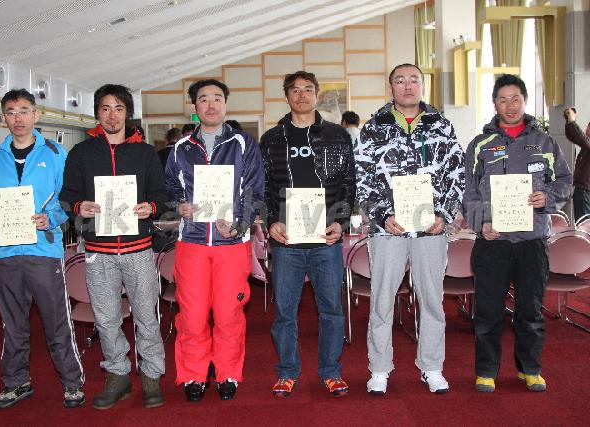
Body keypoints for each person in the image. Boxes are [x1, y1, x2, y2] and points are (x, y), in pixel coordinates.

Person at [354, 63, 464, 395]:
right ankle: (379, 369)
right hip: (388, 228)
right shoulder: (374, 127)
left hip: (431, 228)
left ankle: (432, 367)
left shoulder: (441, 125)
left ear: (422, 85)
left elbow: (457, 175)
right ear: (391, 87)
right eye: (400, 81)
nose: (407, 86)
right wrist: (381, 213)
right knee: (382, 300)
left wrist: (444, 213)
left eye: (413, 80)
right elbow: (361, 178)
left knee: (432, 300)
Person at [59, 84, 167, 409]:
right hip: (98, 251)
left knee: (146, 315)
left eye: (119, 108)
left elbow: (161, 195)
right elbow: (67, 196)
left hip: (139, 249)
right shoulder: (81, 153)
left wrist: (151, 207)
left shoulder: (145, 153)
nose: (112, 115)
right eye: (105, 108)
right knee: (106, 319)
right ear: (97, 113)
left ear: (127, 113)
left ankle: (151, 376)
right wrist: (79, 206)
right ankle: (118, 375)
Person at [0, 89, 85, 409]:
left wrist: (51, 217)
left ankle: (72, 383)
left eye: (24, 110)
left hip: (44, 251)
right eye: (11, 112)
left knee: (56, 321)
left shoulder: (55, 153)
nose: (18, 118)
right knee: (13, 324)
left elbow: (70, 197)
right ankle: (16, 382)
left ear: (36, 115)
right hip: (6, 253)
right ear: (3, 118)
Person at [463, 74, 572, 393]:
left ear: (524, 101)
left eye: (516, 99)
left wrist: (547, 198)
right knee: (488, 310)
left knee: (530, 309)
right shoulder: (480, 145)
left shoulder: (545, 143)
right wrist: (481, 223)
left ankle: (530, 368)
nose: (510, 105)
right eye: (503, 99)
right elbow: (468, 191)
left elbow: (565, 181)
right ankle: (486, 371)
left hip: (532, 241)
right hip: (493, 241)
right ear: (494, 104)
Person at [165, 79, 264, 402]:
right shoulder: (180, 148)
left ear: (226, 104)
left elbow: (254, 191)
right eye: (204, 99)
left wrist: (238, 226)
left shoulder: (244, 144)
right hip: (192, 243)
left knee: (228, 313)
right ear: (194, 107)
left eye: (217, 98)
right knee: (192, 315)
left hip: (231, 245)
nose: (211, 105)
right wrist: (178, 205)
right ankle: (193, 374)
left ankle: (227, 373)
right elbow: (170, 189)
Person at [260, 71, 356, 398]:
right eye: (295, 90)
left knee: (331, 310)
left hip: (326, 238)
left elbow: (348, 184)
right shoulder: (272, 139)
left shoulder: (337, 136)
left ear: (316, 95)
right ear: (287, 96)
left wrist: (340, 222)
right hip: (286, 240)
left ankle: (331, 372)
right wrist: (271, 221)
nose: (302, 95)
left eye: (308, 89)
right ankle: (287, 372)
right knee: (284, 312)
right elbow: (265, 188)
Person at [563, 107, 590, 222]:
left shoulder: (587, 144)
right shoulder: (586, 146)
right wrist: (569, 120)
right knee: (583, 224)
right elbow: (574, 136)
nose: (586, 129)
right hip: (582, 190)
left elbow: (579, 137)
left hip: (585, 191)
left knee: (584, 224)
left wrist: (572, 120)